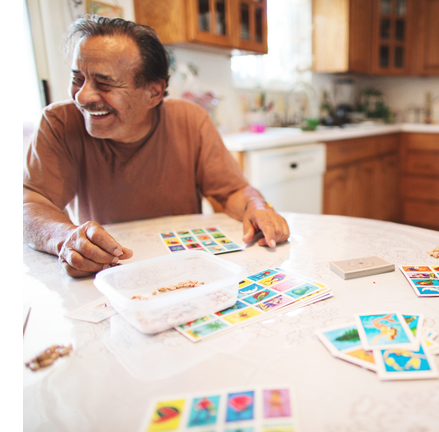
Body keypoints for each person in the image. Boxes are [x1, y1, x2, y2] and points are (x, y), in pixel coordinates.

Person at [23, 15, 289, 278]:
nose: (82, 96)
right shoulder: (58, 123)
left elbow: (232, 191)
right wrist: (66, 238)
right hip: (107, 273)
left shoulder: (190, 119)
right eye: (77, 79)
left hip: (183, 269)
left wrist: (257, 206)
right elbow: (30, 205)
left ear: (153, 92)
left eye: (104, 84)